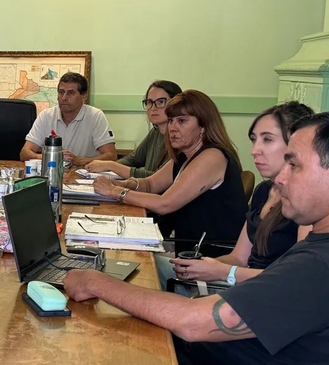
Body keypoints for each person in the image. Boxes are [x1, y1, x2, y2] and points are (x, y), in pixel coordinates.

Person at [64, 111, 329, 365]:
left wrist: (95, 282)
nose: (281, 177)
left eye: (293, 164)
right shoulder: (314, 243)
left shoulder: (318, 265)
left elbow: (193, 323)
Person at [93, 90, 248, 261]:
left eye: (182, 121)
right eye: (171, 120)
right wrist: (126, 185)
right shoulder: (184, 155)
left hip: (208, 262)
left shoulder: (212, 157)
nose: (173, 128)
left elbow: (164, 204)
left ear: (203, 126)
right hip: (186, 251)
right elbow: (151, 184)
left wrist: (115, 192)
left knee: (121, 261)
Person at [170, 102, 314, 284]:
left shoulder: (306, 203)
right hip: (244, 288)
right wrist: (201, 266)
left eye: (267, 139)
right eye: (254, 140)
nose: (254, 151)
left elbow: (295, 279)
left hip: (270, 299)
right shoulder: (263, 191)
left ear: (294, 144)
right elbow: (238, 258)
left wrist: (224, 272)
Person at [85, 80, 182, 178]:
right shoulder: (155, 132)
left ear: (176, 104)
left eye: (160, 102)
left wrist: (111, 165)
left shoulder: (180, 137)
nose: (153, 108)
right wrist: (105, 167)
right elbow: (133, 160)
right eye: (149, 102)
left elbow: (158, 179)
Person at [20, 72, 117, 166]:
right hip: (52, 173)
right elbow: (24, 153)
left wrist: (81, 161)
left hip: (84, 176)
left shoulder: (95, 116)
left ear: (84, 96)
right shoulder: (46, 115)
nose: (64, 97)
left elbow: (111, 156)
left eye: (71, 93)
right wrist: (52, 157)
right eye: (61, 92)